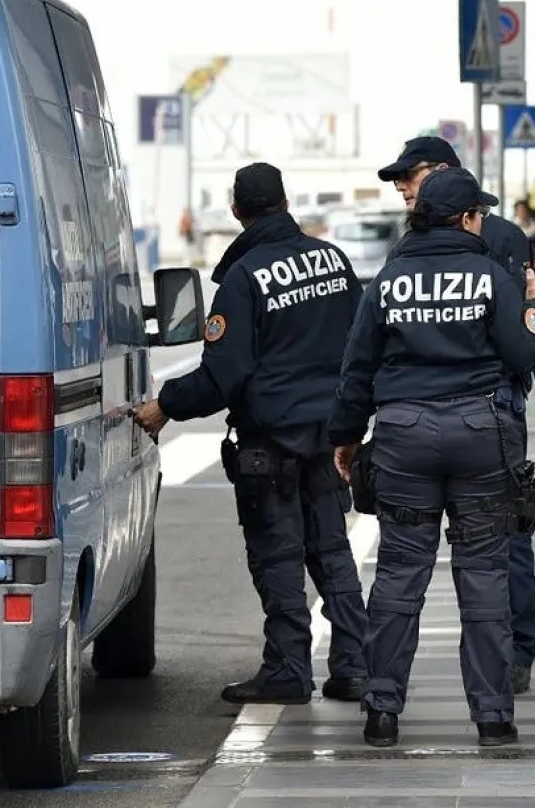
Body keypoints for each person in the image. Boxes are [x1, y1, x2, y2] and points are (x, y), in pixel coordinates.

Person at [328, 167, 535, 748]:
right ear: (466, 219)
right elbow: (526, 349)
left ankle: (382, 711)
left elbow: (356, 367)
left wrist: (348, 437)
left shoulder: (389, 279)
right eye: (479, 214)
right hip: (482, 432)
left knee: (400, 574)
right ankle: (493, 718)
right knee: (483, 575)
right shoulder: (487, 277)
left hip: (404, 434)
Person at [133, 163, 369, 706]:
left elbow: (224, 375)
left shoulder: (244, 278)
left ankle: (289, 670)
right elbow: (361, 348)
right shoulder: (332, 260)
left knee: (279, 556)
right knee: (332, 551)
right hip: (329, 434)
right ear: (285, 203)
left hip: (272, 443)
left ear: (238, 212)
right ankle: (355, 665)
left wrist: (165, 406)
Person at [376, 136, 535, 697]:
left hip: (494, 407)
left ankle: (516, 652)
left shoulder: (502, 239)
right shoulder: (408, 246)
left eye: (407, 177)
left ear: (440, 173)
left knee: (503, 542)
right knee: (431, 555)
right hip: (437, 418)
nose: (400, 189)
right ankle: (477, 692)